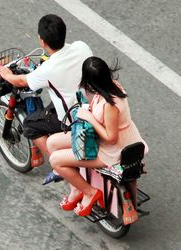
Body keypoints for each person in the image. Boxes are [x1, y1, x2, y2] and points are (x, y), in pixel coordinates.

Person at [47, 56, 149, 216]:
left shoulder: (110, 104)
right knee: (52, 142)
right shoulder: (113, 86)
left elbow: (111, 137)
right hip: (108, 139)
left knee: (55, 160)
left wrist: (90, 118)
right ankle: (76, 188)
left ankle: (89, 192)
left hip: (110, 150)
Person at [0, 14, 93, 178]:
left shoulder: (48, 69)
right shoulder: (82, 47)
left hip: (71, 118)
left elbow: (21, 81)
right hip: (91, 106)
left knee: (30, 125)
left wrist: (6, 73)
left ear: (42, 41)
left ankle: (59, 165)